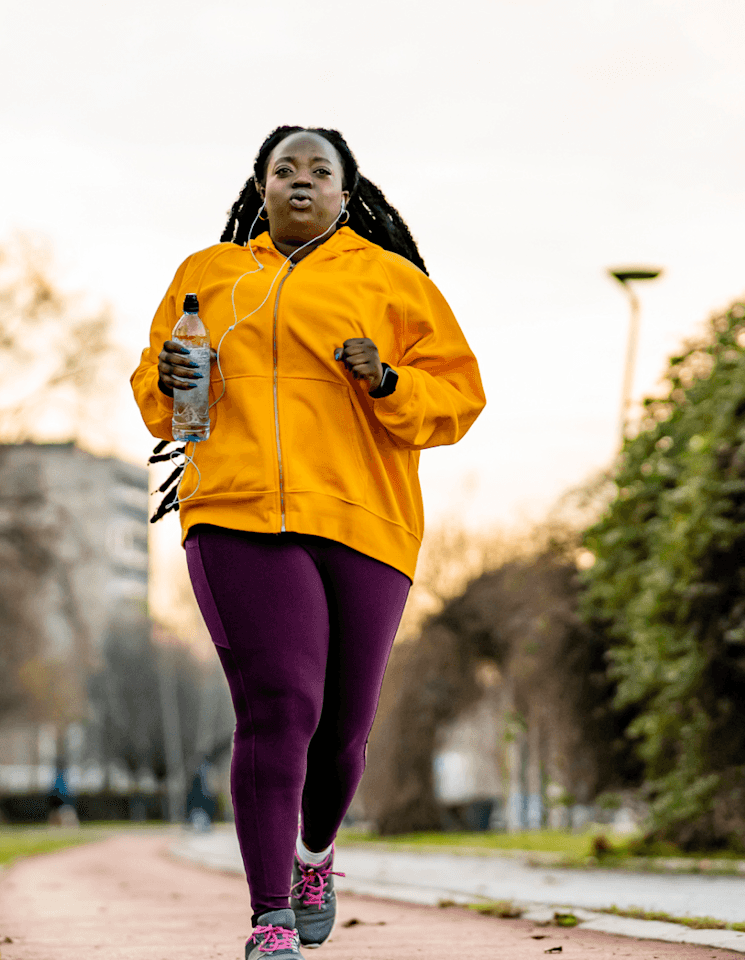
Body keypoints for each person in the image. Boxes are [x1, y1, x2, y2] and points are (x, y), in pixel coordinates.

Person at [130, 125, 484, 960]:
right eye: (283, 168)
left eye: (318, 171)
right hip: (238, 511)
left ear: (345, 191)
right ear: (259, 187)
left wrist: (388, 380)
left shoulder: (392, 281)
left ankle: (314, 856)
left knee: (344, 730)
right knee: (282, 706)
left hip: (366, 517)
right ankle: (269, 920)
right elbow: (157, 392)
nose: (300, 180)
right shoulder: (207, 276)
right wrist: (173, 380)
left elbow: (460, 397)